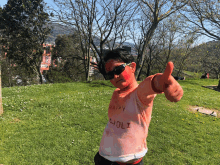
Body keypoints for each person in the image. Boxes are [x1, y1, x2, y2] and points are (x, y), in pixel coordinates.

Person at [94, 48, 183, 165]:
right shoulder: (116, 93)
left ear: (132, 67)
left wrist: (162, 82)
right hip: (104, 157)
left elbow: (149, 85)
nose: (115, 76)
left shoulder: (139, 95)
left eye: (118, 69)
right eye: (110, 74)